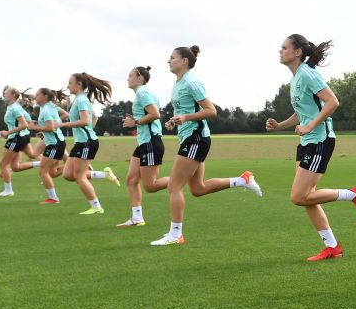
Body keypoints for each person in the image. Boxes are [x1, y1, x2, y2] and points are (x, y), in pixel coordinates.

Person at [265, 34, 356, 261]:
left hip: (320, 140)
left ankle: (354, 194)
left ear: (297, 53)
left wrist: (311, 125)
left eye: (284, 48)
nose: (280, 51)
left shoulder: (307, 74)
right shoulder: (295, 78)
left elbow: (333, 101)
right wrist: (280, 126)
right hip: (307, 141)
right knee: (306, 197)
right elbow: (302, 112)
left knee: (298, 197)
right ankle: (332, 247)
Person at [151, 45, 263, 246]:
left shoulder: (192, 82)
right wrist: (175, 120)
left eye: (172, 57)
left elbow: (211, 111)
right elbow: (185, 112)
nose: (168, 61)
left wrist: (185, 117)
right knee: (198, 189)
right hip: (190, 137)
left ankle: (176, 234)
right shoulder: (178, 83)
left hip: (196, 138)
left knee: (174, 186)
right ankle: (242, 180)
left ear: (184, 60)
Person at [58, 72, 121, 214]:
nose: (68, 86)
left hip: (86, 143)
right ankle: (105, 174)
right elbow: (94, 117)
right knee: (68, 174)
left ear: (79, 84)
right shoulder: (79, 99)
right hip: (81, 142)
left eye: (70, 83)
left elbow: (85, 120)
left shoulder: (81, 100)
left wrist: (64, 125)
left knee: (79, 176)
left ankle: (96, 207)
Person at [117, 65, 169, 227]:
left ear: (140, 78)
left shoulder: (143, 92)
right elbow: (148, 114)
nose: (128, 78)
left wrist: (135, 122)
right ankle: (137, 218)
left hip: (151, 143)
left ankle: (183, 178)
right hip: (144, 143)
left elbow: (155, 114)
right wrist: (136, 119)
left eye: (131, 75)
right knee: (131, 180)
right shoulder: (144, 93)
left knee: (151, 186)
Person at [23, 87, 68, 204]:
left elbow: (51, 127)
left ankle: (53, 198)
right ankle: (73, 167)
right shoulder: (47, 108)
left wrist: (34, 127)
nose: (35, 97)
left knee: (43, 171)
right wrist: (39, 125)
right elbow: (51, 124)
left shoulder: (47, 110)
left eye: (37, 95)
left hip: (55, 144)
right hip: (55, 143)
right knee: (51, 173)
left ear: (44, 97)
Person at [0, 86, 40, 197]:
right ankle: (43, 163)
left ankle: (8, 190)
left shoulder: (14, 108)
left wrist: (7, 133)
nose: (4, 94)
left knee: (3, 164)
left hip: (16, 138)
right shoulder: (14, 107)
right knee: (15, 167)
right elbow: (28, 120)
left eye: (6, 92)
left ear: (13, 95)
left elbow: (24, 124)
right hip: (22, 137)